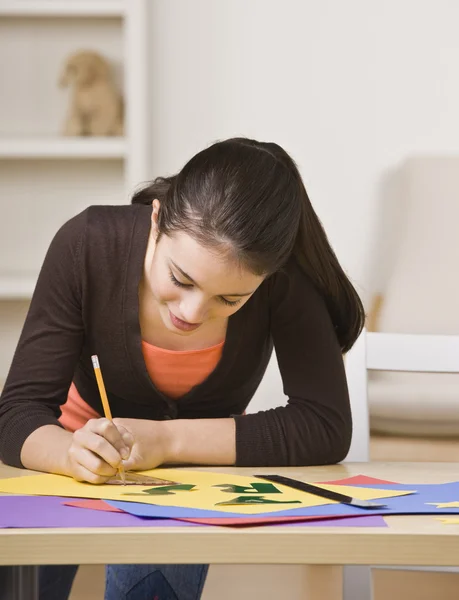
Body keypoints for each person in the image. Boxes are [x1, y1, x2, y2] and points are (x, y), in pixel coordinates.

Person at [0, 137, 365, 599]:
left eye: (229, 300)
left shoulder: (282, 276)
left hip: (190, 472)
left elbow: (325, 424)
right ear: (156, 219)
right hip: (69, 449)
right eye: (180, 279)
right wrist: (71, 453)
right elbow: (16, 415)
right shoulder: (88, 243)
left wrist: (168, 440)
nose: (192, 313)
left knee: (152, 581)